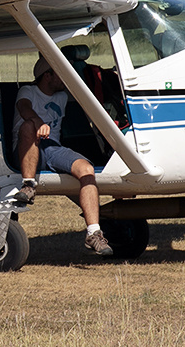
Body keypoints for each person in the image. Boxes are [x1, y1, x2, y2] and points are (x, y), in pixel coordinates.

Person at [12, 55, 112, 255]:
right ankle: (29, 184)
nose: (64, 78)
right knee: (28, 126)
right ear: (47, 75)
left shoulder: (62, 96)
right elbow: (24, 108)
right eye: (59, 73)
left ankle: (94, 233)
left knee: (86, 169)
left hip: (53, 148)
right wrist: (38, 122)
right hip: (28, 148)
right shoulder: (28, 91)